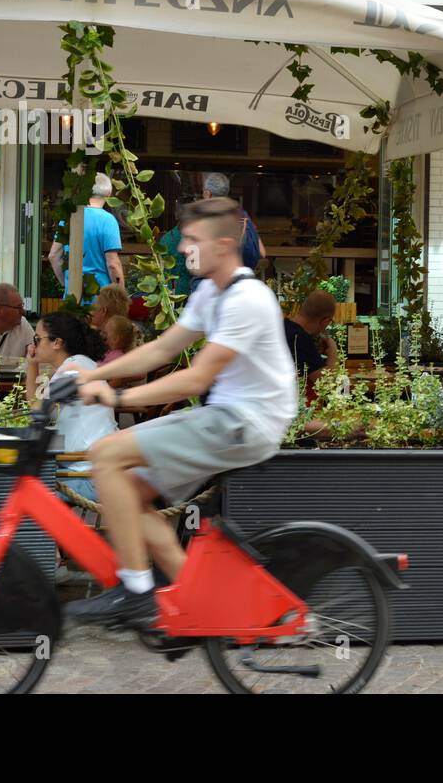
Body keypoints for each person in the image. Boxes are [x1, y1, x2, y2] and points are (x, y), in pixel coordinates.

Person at [68, 197, 296, 628]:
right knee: (129, 492)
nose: (181, 248)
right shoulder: (211, 291)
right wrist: (94, 377)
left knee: (106, 454)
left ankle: (135, 591)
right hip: (227, 418)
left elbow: (196, 378)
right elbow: (161, 348)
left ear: (224, 245)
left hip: (244, 424)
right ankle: (197, 602)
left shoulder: (247, 299)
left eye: (191, 240)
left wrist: (114, 398)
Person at [24, 312, 117, 502]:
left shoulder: (71, 371)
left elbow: (35, 411)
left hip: (85, 476)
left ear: (57, 342)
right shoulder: (81, 364)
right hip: (96, 466)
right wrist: (32, 364)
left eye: (37, 338)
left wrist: (30, 365)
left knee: (13, 486)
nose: (33, 345)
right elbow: (38, 407)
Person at [48, 172, 124, 299]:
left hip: (73, 296)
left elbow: (53, 256)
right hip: (100, 298)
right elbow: (113, 264)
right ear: (109, 194)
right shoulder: (108, 220)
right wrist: (121, 294)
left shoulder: (68, 218)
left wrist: (66, 284)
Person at [202, 172, 265, 271]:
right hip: (243, 278)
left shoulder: (207, 217)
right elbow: (262, 252)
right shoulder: (242, 214)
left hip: (219, 279)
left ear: (207, 194)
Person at [283, 289, 339, 390]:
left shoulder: (281, 326)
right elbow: (324, 383)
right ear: (325, 321)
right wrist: (333, 355)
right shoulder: (301, 338)